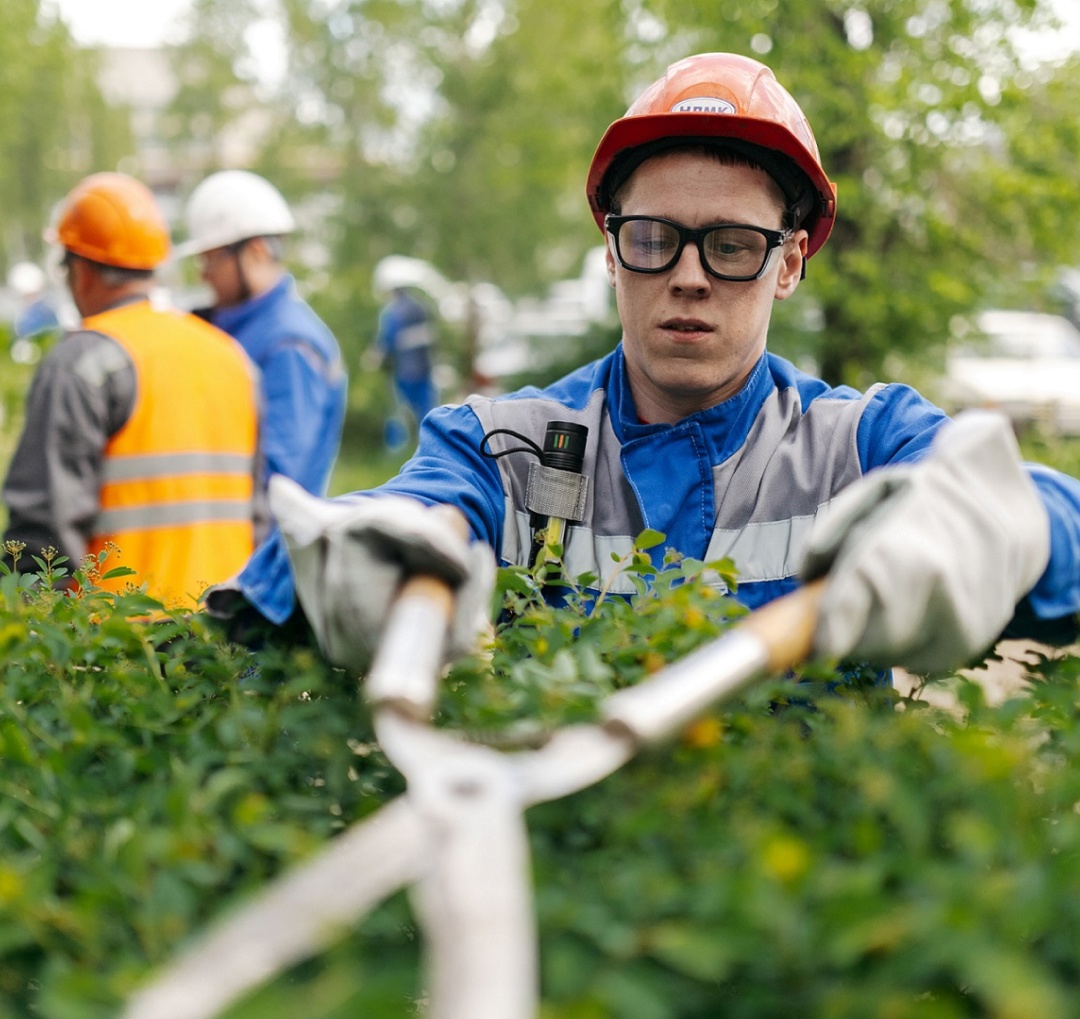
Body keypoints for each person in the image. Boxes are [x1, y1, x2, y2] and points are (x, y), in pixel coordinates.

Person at [210, 52, 1080, 678]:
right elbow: (417, 507)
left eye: (732, 245)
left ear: (788, 263)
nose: (689, 276)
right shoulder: (508, 446)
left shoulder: (858, 445)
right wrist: (375, 543)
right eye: (655, 238)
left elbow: (1041, 508)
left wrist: (990, 526)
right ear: (611, 250)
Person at [2, 172, 263, 609]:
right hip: (224, 632)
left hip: (120, 638)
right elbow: (260, 511)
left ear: (80, 270)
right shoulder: (231, 357)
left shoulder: (82, 363)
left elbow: (44, 531)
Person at [177, 169, 347, 497]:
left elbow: (277, 478)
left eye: (210, 260)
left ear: (256, 251)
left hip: (264, 530)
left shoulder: (289, 345)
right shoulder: (242, 329)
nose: (204, 275)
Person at [371, 258, 439, 450]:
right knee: (427, 412)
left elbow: (386, 340)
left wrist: (374, 357)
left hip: (404, 370)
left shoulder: (392, 311)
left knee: (398, 411)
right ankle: (431, 448)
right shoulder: (420, 306)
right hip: (425, 367)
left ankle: (396, 450)